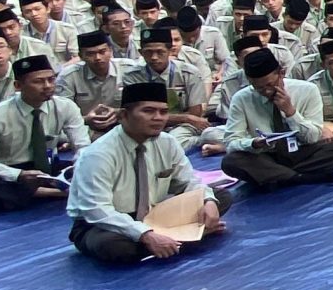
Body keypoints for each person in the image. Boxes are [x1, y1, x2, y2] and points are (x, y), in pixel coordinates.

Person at [67, 80, 227, 265]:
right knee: (115, 247)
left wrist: (207, 200)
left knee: (219, 197)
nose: (158, 118)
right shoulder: (98, 154)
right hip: (104, 223)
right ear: (124, 115)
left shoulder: (167, 142)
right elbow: (96, 210)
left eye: (163, 112)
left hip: (154, 214)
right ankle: (182, 236)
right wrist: (145, 234)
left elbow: (188, 182)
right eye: (148, 111)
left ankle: (169, 239)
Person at [0, 54, 90, 211]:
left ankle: (24, 196)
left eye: (51, 79)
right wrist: (19, 174)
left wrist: (80, 165)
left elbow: (83, 146)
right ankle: (56, 193)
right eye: (38, 81)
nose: (48, 86)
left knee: (98, 164)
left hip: (49, 167)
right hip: (12, 172)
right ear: (18, 86)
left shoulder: (65, 106)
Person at [221, 47, 333, 189]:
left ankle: (277, 176)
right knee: (231, 161)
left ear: (281, 73)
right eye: (259, 88)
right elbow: (231, 142)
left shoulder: (307, 90)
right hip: (267, 155)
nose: (267, 91)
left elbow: (313, 137)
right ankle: (299, 177)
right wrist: (253, 143)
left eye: (270, 85)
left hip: (303, 150)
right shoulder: (241, 98)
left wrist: (290, 112)